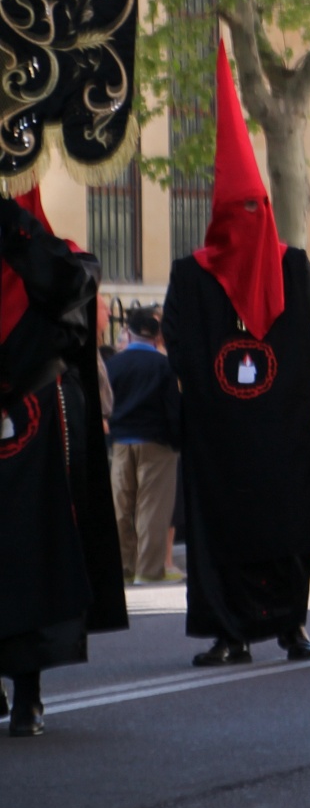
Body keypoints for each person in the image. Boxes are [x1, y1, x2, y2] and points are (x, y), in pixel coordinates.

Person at [164, 41, 310, 666]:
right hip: (248, 432)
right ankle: (234, 631)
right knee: (230, 531)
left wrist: (236, 404)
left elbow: (309, 339)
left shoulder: (292, 268)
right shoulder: (194, 276)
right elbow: (181, 345)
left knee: (280, 530)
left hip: (255, 430)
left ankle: (288, 626)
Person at [0, 189, 126, 737]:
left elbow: (75, 305)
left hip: (40, 423)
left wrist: (16, 232)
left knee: (37, 546)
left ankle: (29, 694)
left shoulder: (65, 259)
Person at [106, 304, 182, 585]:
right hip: (157, 443)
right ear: (157, 336)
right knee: (152, 509)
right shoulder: (164, 366)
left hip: (121, 442)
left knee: (121, 507)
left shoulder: (114, 364)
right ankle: (148, 570)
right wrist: (177, 441)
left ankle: (123, 566)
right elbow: (174, 409)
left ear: (129, 331)